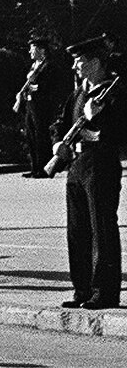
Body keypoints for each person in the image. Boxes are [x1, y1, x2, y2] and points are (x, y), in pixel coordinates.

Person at [54, 34, 123, 310]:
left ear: (95, 62)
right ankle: (81, 288)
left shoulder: (115, 92)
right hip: (77, 166)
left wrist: (99, 120)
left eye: (80, 61)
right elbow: (61, 122)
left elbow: (121, 131)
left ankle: (104, 292)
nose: (76, 67)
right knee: (77, 230)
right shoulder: (79, 92)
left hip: (101, 164)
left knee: (101, 229)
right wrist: (58, 143)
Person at [17, 36, 69, 180]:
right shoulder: (34, 65)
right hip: (30, 105)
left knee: (41, 137)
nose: (30, 52)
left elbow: (48, 87)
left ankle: (43, 168)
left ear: (41, 49)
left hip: (42, 107)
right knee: (31, 136)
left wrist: (33, 86)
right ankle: (34, 168)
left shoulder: (48, 66)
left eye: (32, 49)